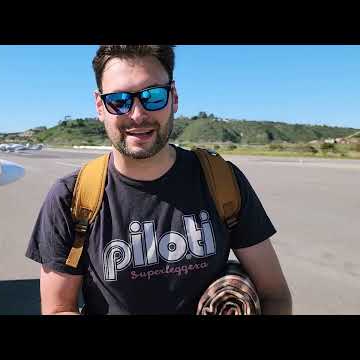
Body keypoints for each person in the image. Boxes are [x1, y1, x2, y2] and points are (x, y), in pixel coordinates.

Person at [26, 45, 292, 315]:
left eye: (152, 96)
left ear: (173, 97)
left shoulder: (222, 181)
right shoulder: (71, 197)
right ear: (100, 106)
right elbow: (58, 308)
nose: (138, 114)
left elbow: (274, 295)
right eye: (119, 100)